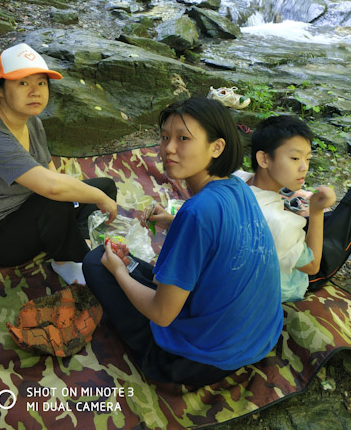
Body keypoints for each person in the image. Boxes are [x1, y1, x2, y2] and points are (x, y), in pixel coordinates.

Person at [83, 96, 283, 387]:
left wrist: (119, 272)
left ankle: (151, 355)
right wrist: (171, 222)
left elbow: (162, 315)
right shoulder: (238, 187)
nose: (168, 149)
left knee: (96, 262)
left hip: (196, 362)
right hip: (259, 338)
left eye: (183, 138)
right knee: (140, 271)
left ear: (217, 147)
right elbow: (221, 240)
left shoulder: (198, 212)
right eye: (165, 137)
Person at [0, 43, 117, 285]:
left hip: (31, 207)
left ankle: (78, 241)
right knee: (58, 198)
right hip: (0, 238)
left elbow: (48, 171)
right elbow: (52, 187)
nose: (35, 91)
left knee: (104, 186)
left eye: (41, 83)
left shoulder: (31, 122)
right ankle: (66, 261)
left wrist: (93, 194)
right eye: (23, 83)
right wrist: (93, 198)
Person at [235, 115, 351, 302]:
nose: (303, 167)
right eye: (294, 158)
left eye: (307, 159)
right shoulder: (282, 223)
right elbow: (313, 266)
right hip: (301, 275)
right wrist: (315, 212)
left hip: (281, 247)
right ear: (264, 159)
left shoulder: (236, 179)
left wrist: (286, 196)